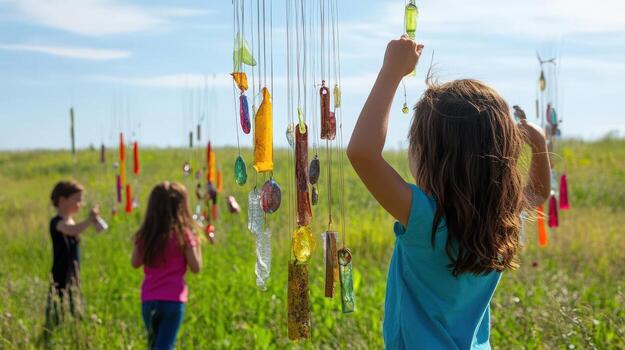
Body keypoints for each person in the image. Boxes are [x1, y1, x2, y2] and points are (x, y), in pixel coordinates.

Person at [347, 36, 551, 349]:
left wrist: (391, 71)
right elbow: (539, 192)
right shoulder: (499, 219)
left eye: (415, 141)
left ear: (434, 155)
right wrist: (538, 145)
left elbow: (363, 152)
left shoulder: (426, 218)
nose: (410, 149)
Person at [131, 182, 202, 350]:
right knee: (165, 347)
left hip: (149, 299)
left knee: (154, 346)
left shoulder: (145, 235)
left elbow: (135, 263)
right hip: (173, 300)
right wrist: (196, 242)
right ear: (181, 207)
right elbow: (196, 267)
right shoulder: (184, 235)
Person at [46, 180, 99, 326]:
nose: (80, 204)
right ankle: (54, 324)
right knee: (57, 303)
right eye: (77, 200)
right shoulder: (57, 222)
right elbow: (73, 230)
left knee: (74, 301)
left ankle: (76, 324)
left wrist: (94, 223)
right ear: (62, 200)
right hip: (60, 271)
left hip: (73, 271)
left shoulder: (71, 221)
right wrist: (89, 221)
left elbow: (75, 228)